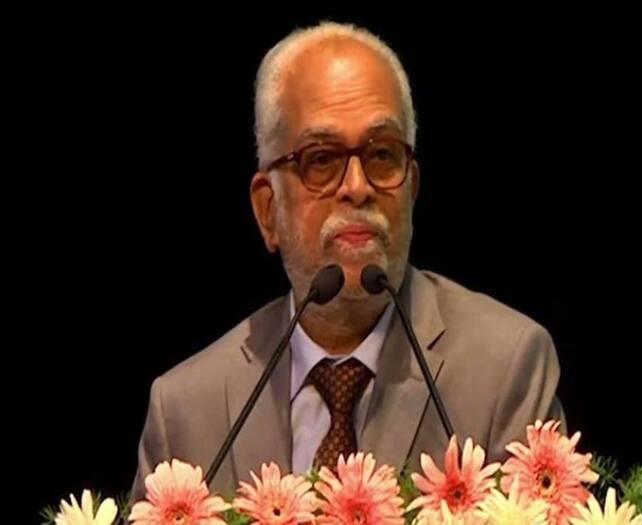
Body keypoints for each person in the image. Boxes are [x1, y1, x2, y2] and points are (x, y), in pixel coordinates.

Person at [131, 21, 565, 500]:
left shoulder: (505, 368)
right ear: (268, 210)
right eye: (321, 159)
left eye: (382, 155)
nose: (358, 187)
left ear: (412, 190)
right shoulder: (186, 412)